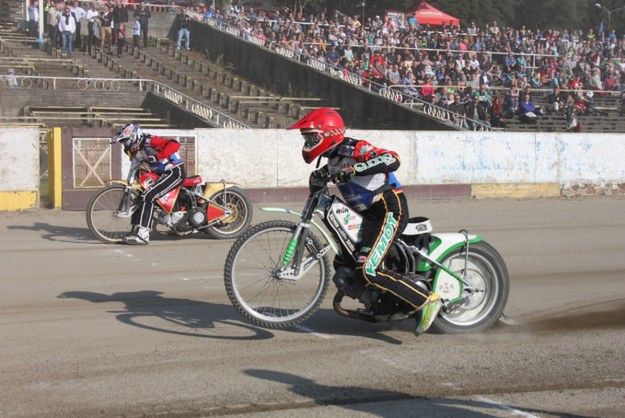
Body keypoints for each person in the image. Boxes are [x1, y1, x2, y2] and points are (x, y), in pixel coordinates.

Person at [288, 108, 443, 336]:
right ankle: (383, 304)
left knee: (369, 269)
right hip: (369, 217)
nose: (308, 141)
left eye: (312, 136)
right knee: (344, 264)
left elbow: (392, 158)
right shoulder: (332, 161)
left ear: (329, 133)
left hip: (389, 209)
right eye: (307, 138)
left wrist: (356, 168)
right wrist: (317, 180)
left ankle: (427, 300)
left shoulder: (356, 148)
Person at [110, 123, 184, 245]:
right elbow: (136, 163)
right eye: (123, 142)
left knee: (148, 196)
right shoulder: (133, 149)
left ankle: (143, 235)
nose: (125, 144)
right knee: (140, 197)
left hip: (174, 172)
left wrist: (158, 156)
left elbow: (175, 144)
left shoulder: (150, 140)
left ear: (133, 136)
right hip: (160, 174)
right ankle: (135, 231)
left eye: (125, 141)